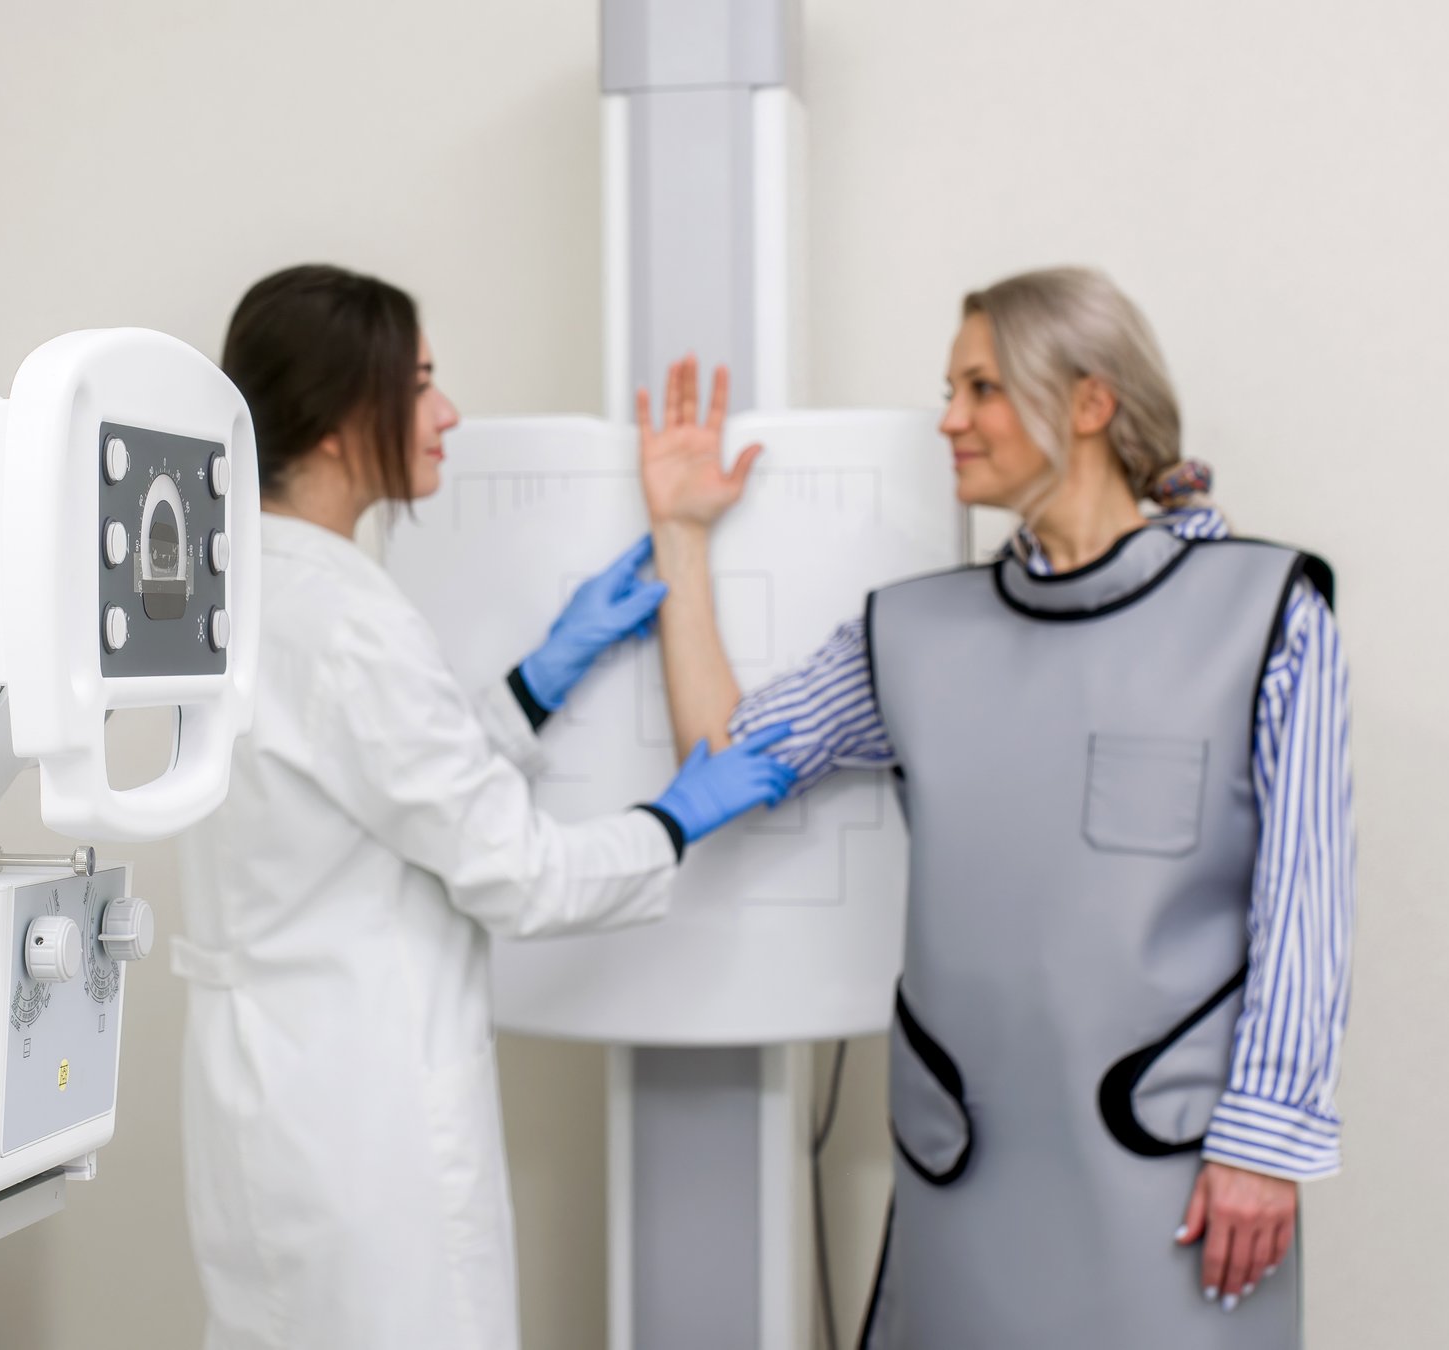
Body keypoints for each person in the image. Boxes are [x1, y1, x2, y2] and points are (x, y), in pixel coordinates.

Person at [637, 267, 1353, 1348]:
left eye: (980, 388)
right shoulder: (914, 635)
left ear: (1088, 402)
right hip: (966, 1175)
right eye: (950, 390)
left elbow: (1307, 897)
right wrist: (678, 537)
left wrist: (1267, 1141)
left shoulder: (1263, 614)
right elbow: (721, 762)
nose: (949, 420)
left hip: (1172, 1179)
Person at [173, 264, 798, 1350]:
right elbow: (517, 874)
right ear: (335, 421)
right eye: (418, 383)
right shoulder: (349, 621)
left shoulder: (243, 588)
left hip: (264, 1092)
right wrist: (677, 817)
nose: (447, 411)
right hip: (369, 1111)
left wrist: (535, 684)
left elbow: (368, 793)